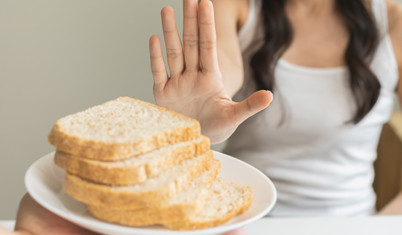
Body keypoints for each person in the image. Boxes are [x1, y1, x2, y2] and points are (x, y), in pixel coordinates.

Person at [149, 0, 402, 217]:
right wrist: (203, 113)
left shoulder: (393, 20)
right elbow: (222, 70)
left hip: (354, 223)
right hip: (244, 219)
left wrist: (381, 226)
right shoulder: (237, 6)